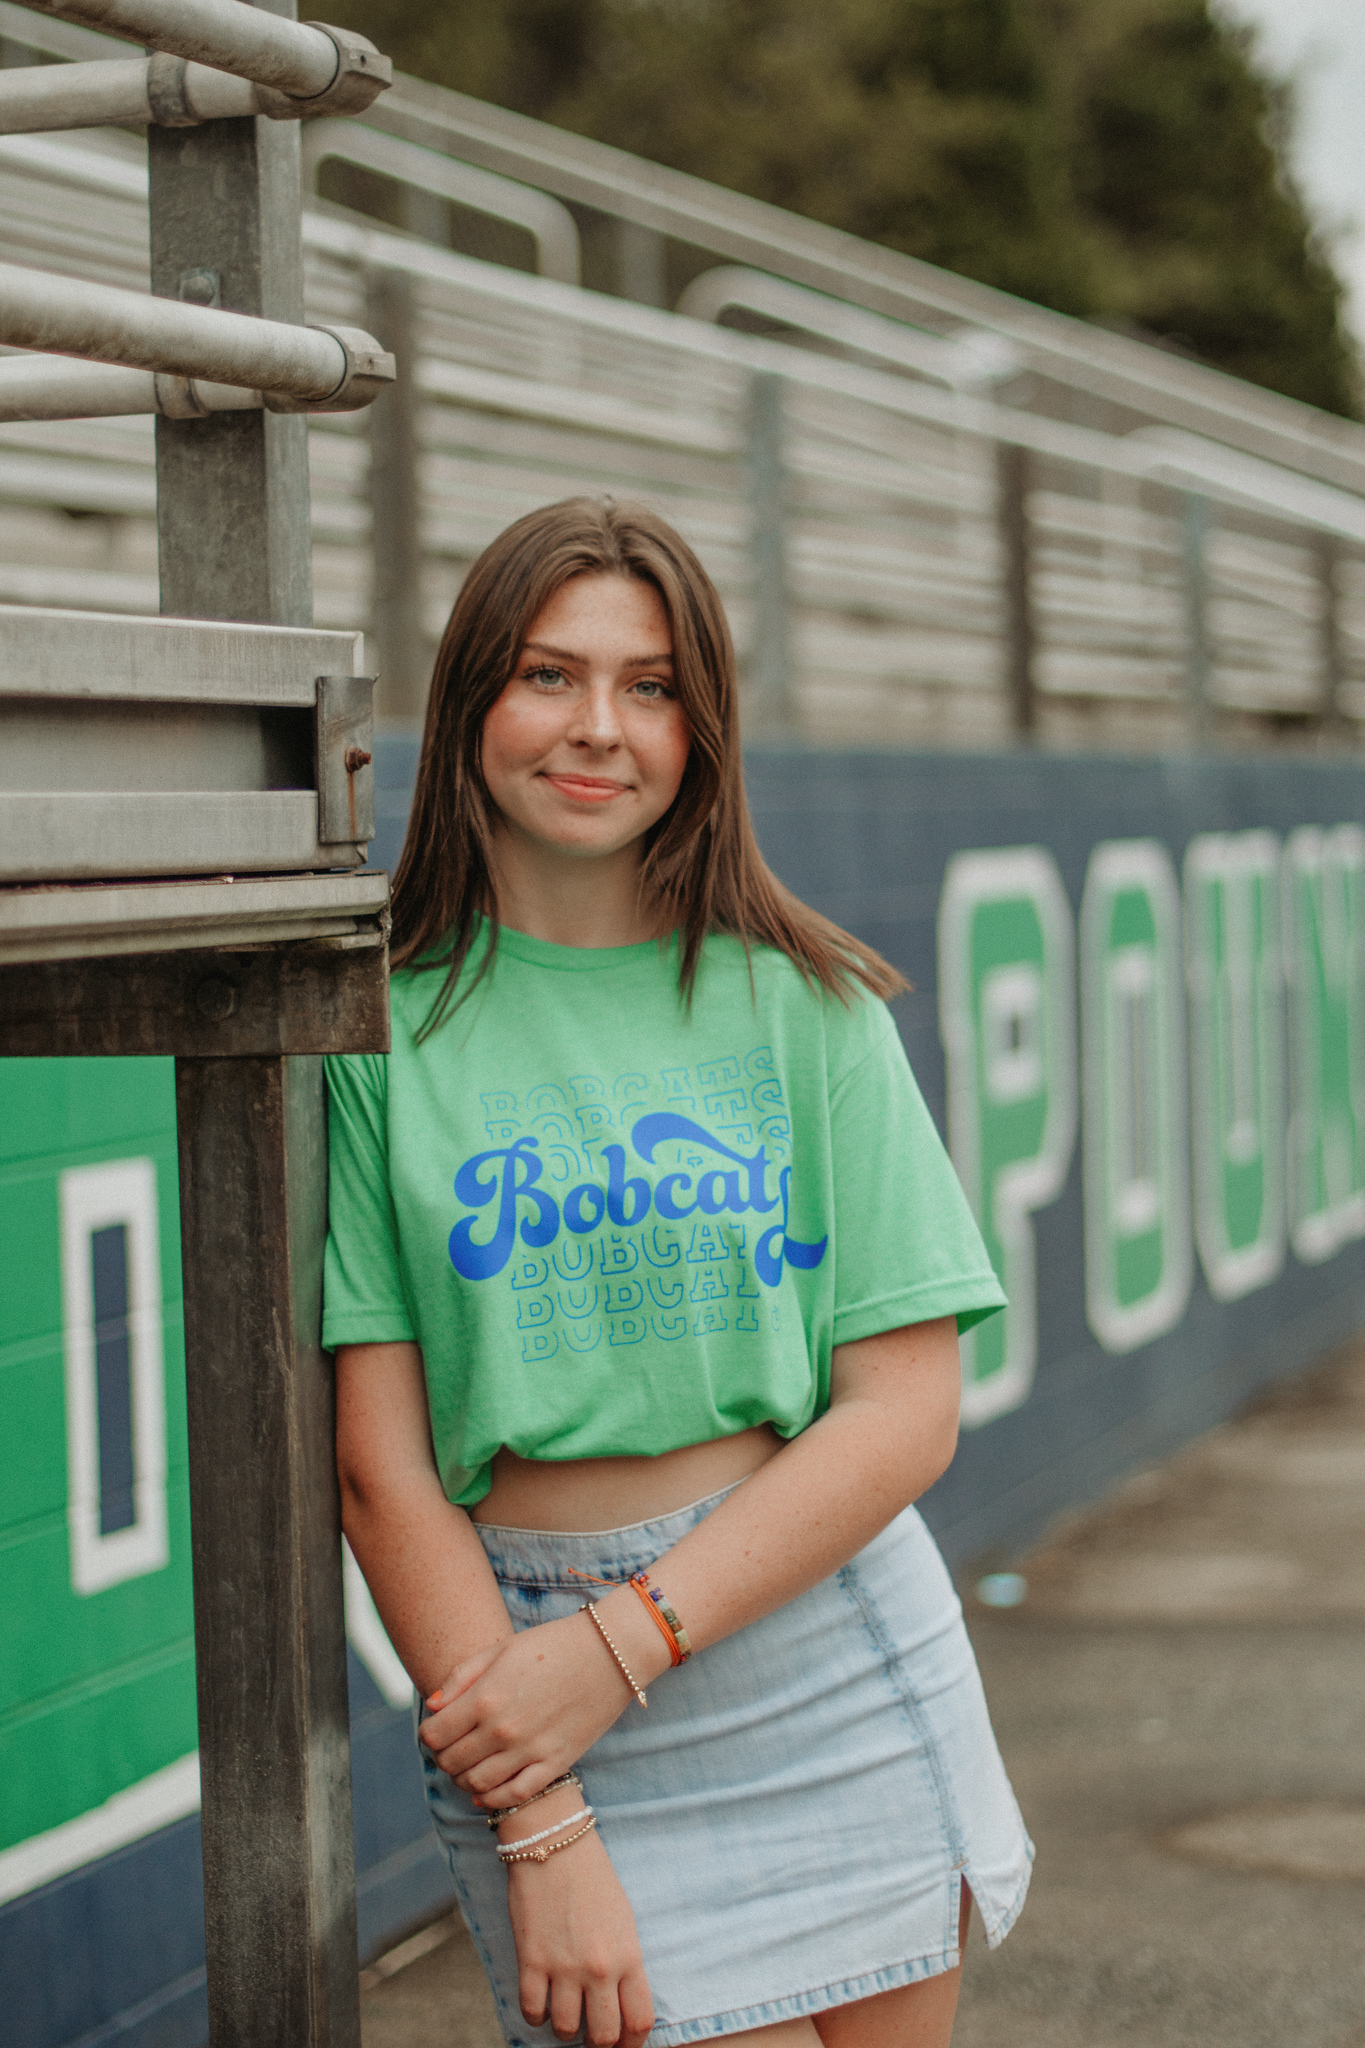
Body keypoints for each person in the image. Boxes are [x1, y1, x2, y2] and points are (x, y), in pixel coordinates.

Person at [324, 498, 1032, 2048]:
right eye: (545, 675)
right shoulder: (369, 1035)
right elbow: (379, 1473)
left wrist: (622, 1643)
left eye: (650, 687)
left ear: (702, 729)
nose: (598, 729)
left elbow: (904, 1409)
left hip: (813, 1638)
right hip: (524, 1692)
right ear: (468, 708)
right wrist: (541, 1819)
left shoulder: (809, 1006)